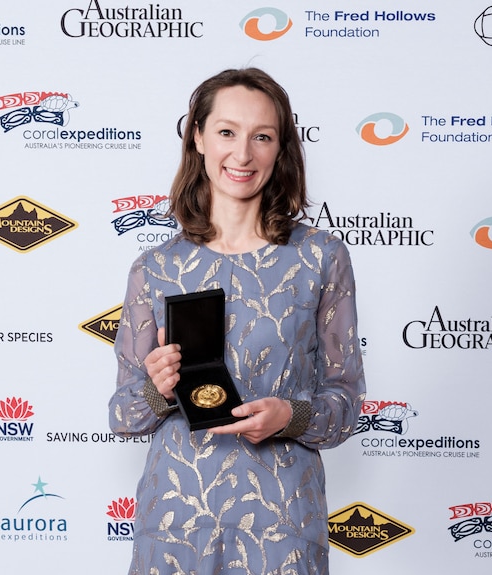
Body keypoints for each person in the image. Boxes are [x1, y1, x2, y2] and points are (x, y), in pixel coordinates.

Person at [109, 67, 366, 575]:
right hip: (175, 526)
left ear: (281, 148)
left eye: (262, 137)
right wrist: (159, 389)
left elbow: (346, 401)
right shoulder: (156, 268)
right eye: (227, 132)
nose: (243, 154)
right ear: (198, 137)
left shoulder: (320, 258)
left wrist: (289, 416)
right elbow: (122, 416)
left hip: (281, 522)